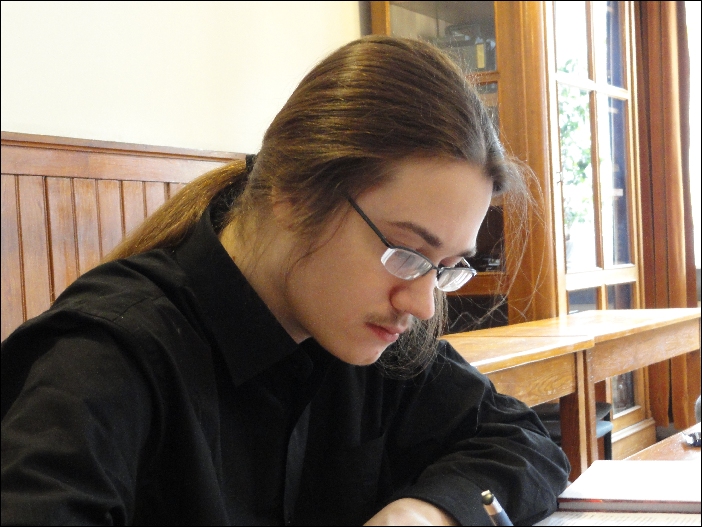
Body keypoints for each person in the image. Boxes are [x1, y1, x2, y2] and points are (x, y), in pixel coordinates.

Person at [1, 35, 569, 525]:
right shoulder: (103, 360)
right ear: (294, 196)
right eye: (406, 252)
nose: (422, 304)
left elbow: (525, 442)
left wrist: (426, 512)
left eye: (445, 267)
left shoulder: (372, 344)